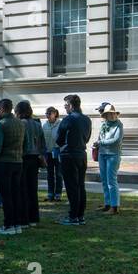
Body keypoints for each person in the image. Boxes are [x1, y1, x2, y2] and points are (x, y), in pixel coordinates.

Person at [55, 94, 92, 225]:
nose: (65, 108)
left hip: (68, 155)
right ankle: (80, 215)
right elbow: (87, 138)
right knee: (80, 185)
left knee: (71, 187)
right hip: (81, 154)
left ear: (70, 105)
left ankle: (73, 216)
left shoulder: (68, 119)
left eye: (65, 105)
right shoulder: (87, 119)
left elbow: (58, 139)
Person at [0, 98, 25, 235]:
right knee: (16, 194)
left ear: (2, 109)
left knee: (6, 195)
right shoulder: (21, 124)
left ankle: (9, 224)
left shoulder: (1, 125)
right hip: (18, 162)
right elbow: (25, 143)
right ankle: (17, 224)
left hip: (4, 163)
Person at [15, 100, 44, 227]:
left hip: (23, 157)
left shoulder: (21, 123)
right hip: (35, 158)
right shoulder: (37, 123)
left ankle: (24, 219)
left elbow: (21, 142)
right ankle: (34, 218)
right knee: (33, 189)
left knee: (22, 189)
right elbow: (42, 142)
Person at [94, 102, 123, 214]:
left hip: (113, 155)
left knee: (111, 181)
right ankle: (107, 204)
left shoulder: (119, 125)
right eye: (108, 114)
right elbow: (100, 138)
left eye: (112, 114)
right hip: (102, 154)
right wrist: (97, 143)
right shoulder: (103, 125)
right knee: (104, 181)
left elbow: (116, 140)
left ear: (115, 114)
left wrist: (101, 142)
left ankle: (115, 206)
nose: (111, 116)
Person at [41, 107, 63, 202]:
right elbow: (42, 139)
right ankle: (50, 193)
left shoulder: (61, 124)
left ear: (55, 113)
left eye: (50, 113)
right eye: (47, 113)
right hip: (48, 152)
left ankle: (58, 194)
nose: (48, 115)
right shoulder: (45, 125)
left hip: (58, 152)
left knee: (58, 174)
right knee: (49, 174)